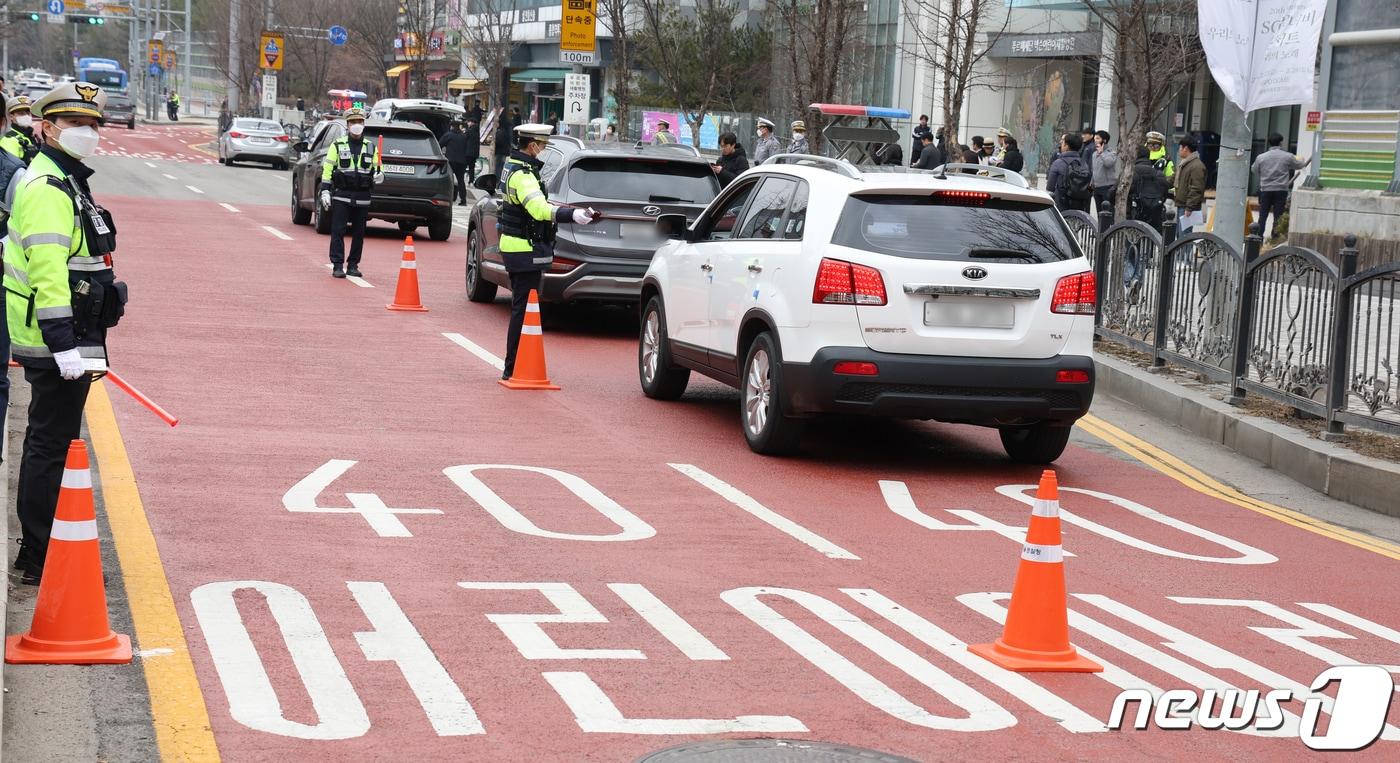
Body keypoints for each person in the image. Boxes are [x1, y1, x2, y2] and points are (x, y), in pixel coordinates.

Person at [6, 83, 125, 585]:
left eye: (94, 125)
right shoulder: (47, 188)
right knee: (50, 442)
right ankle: (36, 555)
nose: (88, 134)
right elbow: (48, 269)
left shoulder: (68, 180)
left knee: (55, 438)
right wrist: (62, 345)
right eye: (77, 125)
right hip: (58, 337)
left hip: (75, 332)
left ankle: (45, 545)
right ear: (46, 127)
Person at [496, 124, 598, 380]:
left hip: (516, 247)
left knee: (523, 307)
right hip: (524, 250)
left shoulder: (513, 166)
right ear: (532, 146)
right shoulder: (524, 175)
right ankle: (513, 368)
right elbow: (539, 210)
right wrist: (572, 215)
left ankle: (514, 366)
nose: (542, 150)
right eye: (541, 146)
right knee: (524, 309)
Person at [320, 108, 382, 278]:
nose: (357, 125)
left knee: (359, 234)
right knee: (338, 231)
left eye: (360, 122)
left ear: (364, 125)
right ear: (347, 125)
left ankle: (353, 265)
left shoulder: (371, 147)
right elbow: (328, 169)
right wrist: (325, 191)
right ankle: (338, 265)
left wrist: (379, 175)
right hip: (341, 195)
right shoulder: (338, 145)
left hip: (362, 197)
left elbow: (376, 168)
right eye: (353, 122)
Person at [1252, 132, 1311, 239]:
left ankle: (1258, 237)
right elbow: (1300, 165)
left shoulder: (1261, 157)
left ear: (1269, 143)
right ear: (1280, 143)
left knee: (1263, 214)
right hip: (1281, 190)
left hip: (1265, 189)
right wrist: (1301, 159)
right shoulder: (1287, 156)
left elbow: (1254, 169)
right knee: (1278, 216)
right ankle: (1274, 238)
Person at [1046, 132, 1092, 213]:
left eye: (1063, 142)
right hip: (1079, 206)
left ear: (1066, 146)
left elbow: (1050, 187)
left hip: (1062, 204)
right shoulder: (1083, 163)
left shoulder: (1058, 163)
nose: (1061, 144)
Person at [1129, 146, 1169, 232]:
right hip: (1154, 214)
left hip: (1135, 214)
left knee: (1134, 241)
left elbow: (1117, 191)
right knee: (1150, 241)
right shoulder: (1157, 173)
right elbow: (1165, 190)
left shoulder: (1131, 172)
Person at [1173, 135, 1206, 234]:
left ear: (1185, 148)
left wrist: (1189, 207)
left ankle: (1186, 251)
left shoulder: (1196, 166)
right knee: (1180, 237)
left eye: (1180, 148)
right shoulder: (1185, 164)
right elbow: (1174, 179)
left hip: (1187, 208)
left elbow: (1196, 189)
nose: (1179, 151)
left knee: (1184, 238)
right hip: (1182, 205)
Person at [439, 120, 472, 206]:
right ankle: (463, 200)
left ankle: (447, 197)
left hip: (451, 161)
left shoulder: (448, 135)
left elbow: (440, 144)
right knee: (461, 181)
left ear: (452, 126)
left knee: (448, 179)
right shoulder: (464, 136)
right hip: (462, 162)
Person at [0, 96, 40, 164]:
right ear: (11, 117)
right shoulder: (8, 140)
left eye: (28, 113)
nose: (26, 116)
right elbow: (11, 169)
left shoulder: (31, 136)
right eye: (21, 113)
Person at [1091, 129, 1119, 219]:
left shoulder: (1112, 153)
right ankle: (1101, 231)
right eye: (1095, 138)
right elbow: (1094, 169)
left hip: (1107, 187)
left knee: (1108, 212)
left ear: (1104, 140)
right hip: (1097, 187)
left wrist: (1102, 153)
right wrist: (1092, 182)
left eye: (1098, 138)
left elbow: (1108, 163)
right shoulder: (1094, 154)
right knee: (1099, 212)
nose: (1095, 140)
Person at [493, 106, 513, 174]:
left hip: (500, 152)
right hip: (504, 151)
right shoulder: (505, 130)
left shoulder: (501, 131)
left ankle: (498, 180)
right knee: (500, 166)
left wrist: (494, 142)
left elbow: (499, 142)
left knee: (499, 167)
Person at [462, 117, 481, 186]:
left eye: (468, 122)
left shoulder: (469, 131)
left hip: (468, 152)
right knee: (471, 168)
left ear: (472, 122)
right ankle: (471, 181)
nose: (468, 123)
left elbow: (464, 139)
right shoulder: (477, 130)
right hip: (474, 153)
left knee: (463, 166)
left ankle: (461, 180)